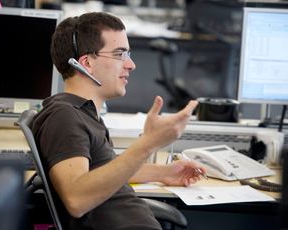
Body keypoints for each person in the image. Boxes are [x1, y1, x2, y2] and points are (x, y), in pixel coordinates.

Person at [31, 12, 206, 230]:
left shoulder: (82, 112)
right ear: (86, 63)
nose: (131, 65)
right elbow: (76, 199)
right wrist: (148, 144)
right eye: (120, 54)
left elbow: (100, 173)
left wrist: (162, 172)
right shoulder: (64, 116)